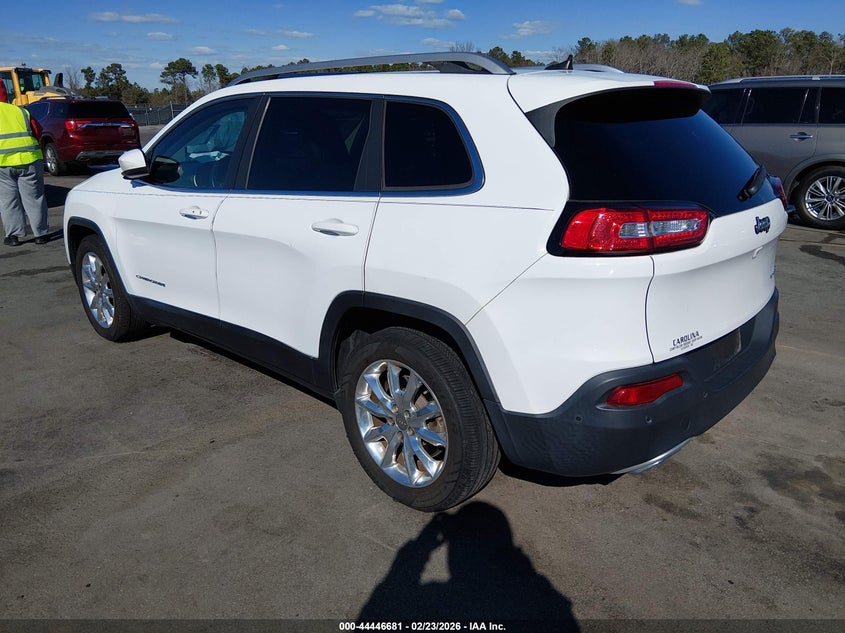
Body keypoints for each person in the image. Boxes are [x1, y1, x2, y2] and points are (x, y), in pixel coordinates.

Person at [0, 80, 50, 247]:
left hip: (3, 164)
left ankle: (13, 236)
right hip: (29, 159)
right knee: (35, 198)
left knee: (8, 200)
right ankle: (40, 234)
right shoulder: (21, 111)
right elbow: (38, 131)